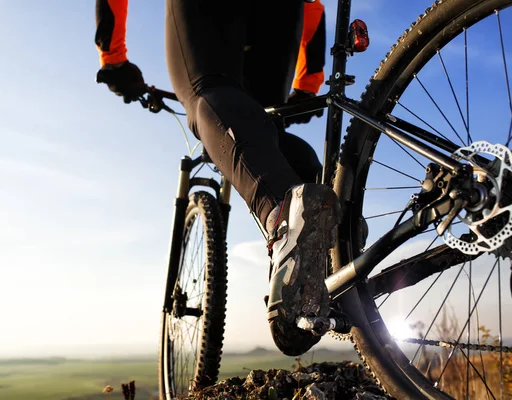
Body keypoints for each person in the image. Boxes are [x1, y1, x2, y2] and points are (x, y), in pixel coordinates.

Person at [95, 0, 339, 357]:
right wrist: (307, 84)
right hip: (284, 14)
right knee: (266, 130)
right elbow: (313, 8)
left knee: (207, 92)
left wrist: (113, 59)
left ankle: (283, 214)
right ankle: (338, 249)